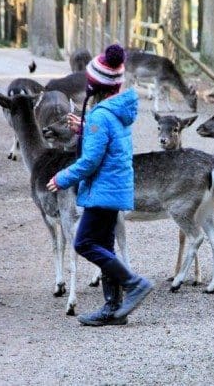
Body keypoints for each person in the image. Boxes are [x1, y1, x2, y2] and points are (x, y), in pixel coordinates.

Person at [47, 44, 153, 326]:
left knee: (84, 242)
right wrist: (85, 127)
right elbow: (108, 138)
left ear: (95, 85)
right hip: (114, 188)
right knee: (105, 244)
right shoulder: (114, 112)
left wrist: (62, 178)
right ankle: (113, 309)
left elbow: (91, 160)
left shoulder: (100, 116)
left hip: (102, 191)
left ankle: (134, 283)